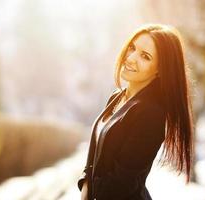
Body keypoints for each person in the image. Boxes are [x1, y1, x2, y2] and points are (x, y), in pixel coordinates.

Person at [77, 24, 194, 200]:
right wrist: (86, 190)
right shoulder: (117, 97)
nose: (130, 58)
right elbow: (94, 161)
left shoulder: (151, 114)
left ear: (160, 70)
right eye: (132, 48)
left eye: (145, 57)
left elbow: (122, 184)